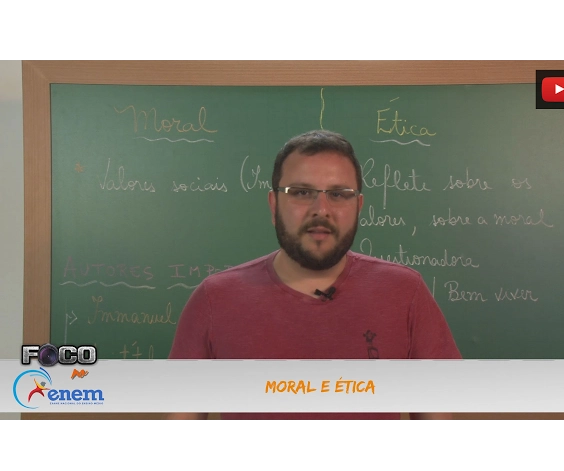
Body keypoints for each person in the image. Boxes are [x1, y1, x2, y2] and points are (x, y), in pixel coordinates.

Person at [166, 130, 461, 420]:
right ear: (274, 205)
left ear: (358, 207)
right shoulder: (215, 299)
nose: (321, 210)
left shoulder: (405, 293)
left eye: (339, 194)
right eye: (301, 193)